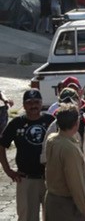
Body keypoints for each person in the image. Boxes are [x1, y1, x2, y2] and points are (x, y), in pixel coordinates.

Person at [0, 89, 55, 221]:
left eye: (37, 102)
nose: (33, 105)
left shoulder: (51, 121)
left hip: (50, 179)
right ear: (24, 105)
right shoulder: (16, 123)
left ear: (42, 103)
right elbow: (1, 146)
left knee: (54, 217)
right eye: (29, 102)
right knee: (27, 218)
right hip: (26, 180)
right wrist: (8, 170)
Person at [44, 103, 85, 221]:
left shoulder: (52, 139)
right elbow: (75, 183)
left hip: (52, 200)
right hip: (67, 205)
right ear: (76, 123)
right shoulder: (69, 149)